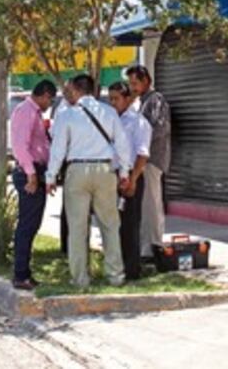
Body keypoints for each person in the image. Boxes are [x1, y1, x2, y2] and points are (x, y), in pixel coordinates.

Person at [46, 74, 132, 289]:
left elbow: (58, 149)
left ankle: (80, 278)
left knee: (77, 227)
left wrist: (50, 176)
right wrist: (124, 173)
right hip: (105, 170)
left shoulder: (67, 115)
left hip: (77, 170)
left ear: (76, 90)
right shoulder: (109, 112)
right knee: (110, 224)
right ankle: (115, 275)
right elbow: (122, 144)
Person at [10, 79, 58, 290]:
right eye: (51, 99)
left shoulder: (35, 113)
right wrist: (31, 174)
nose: (50, 104)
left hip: (38, 172)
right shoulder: (26, 111)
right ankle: (20, 274)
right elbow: (20, 146)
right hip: (29, 173)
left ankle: (25, 272)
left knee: (32, 225)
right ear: (45, 94)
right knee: (27, 225)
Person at [127, 64, 171, 260]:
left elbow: (160, 128)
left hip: (152, 159)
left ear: (146, 81)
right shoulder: (141, 102)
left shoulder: (156, 100)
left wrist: (142, 143)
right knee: (144, 205)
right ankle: (145, 245)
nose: (132, 87)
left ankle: (153, 246)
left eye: (135, 83)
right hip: (142, 160)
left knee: (151, 204)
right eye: (130, 83)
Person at [108, 81, 151, 280]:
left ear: (127, 99)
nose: (113, 103)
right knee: (113, 223)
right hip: (112, 175)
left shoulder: (138, 122)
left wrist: (133, 179)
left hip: (132, 175)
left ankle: (132, 269)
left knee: (130, 224)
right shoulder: (110, 120)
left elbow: (142, 154)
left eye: (116, 99)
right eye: (110, 99)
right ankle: (117, 265)